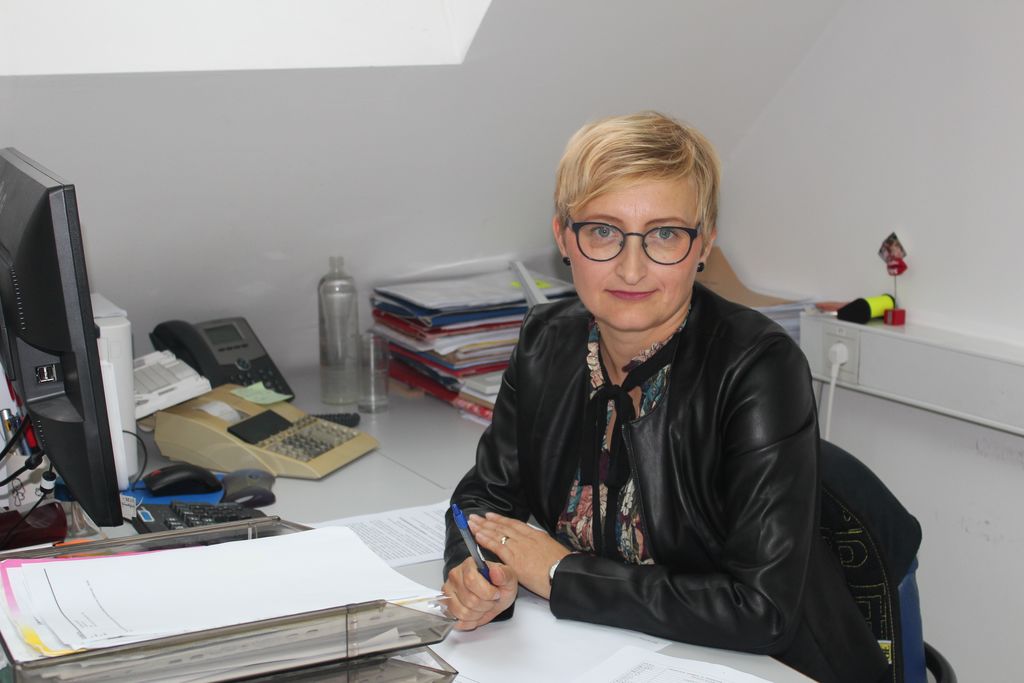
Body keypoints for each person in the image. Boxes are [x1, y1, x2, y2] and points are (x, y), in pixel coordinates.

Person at [442, 111, 888, 683]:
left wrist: (560, 574)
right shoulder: (545, 341)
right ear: (564, 239)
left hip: (768, 667)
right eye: (604, 231)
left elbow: (761, 610)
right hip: (604, 651)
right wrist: (476, 571)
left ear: (704, 245)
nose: (632, 269)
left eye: (665, 235)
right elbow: (483, 497)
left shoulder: (758, 367)